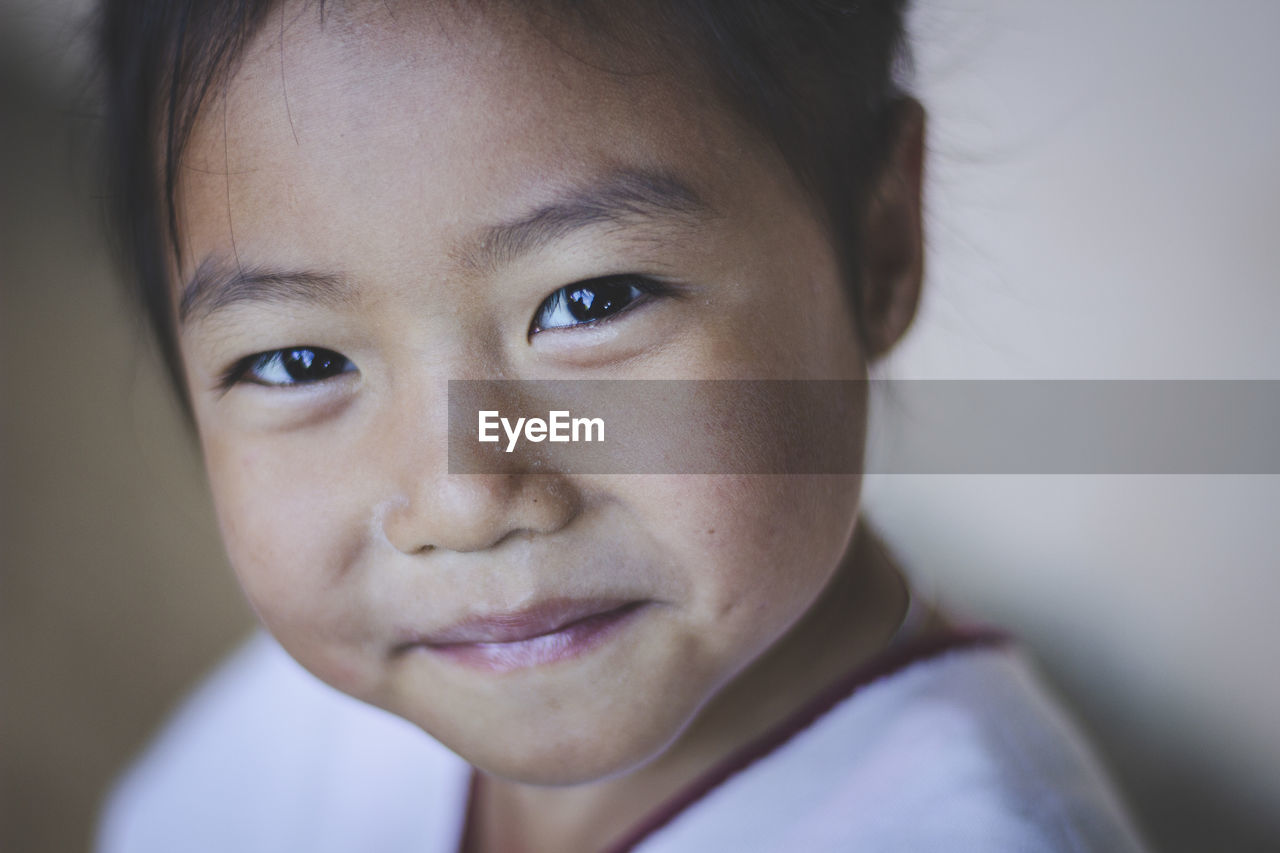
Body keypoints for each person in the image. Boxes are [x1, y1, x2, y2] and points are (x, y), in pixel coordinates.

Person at [93, 1, 1146, 850]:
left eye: (591, 302)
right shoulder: (308, 727)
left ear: (878, 250)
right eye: (298, 361)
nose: (463, 499)